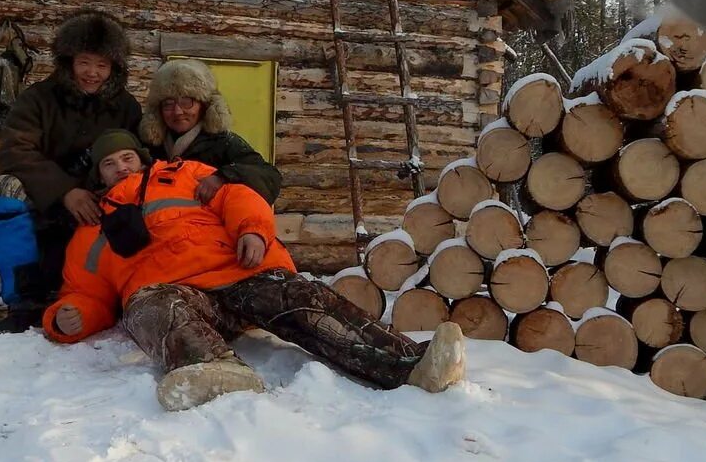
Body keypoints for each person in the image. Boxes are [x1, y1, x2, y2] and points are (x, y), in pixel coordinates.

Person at [42, 130, 467, 411]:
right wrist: (72, 314)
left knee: (305, 297)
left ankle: (411, 363)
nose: (121, 168)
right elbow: (85, 287)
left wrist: (254, 232)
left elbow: (236, 197)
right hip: (168, 291)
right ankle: (217, 370)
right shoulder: (93, 223)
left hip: (240, 271)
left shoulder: (186, 173)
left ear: (142, 156)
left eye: (126, 157)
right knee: (149, 308)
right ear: (97, 175)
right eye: (109, 164)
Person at [0, 10, 142, 332]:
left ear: (114, 68)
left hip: (103, 204)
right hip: (46, 200)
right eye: (85, 62)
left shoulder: (126, 107)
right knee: (3, 190)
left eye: (102, 65)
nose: (92, 73)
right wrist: (65, 192)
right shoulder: (38, 99)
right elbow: (14, 151)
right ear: (69, 60)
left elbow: (140, 157)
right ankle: (25, 297)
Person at [138, 58, 282, 205]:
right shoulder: (149, 148)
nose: (178, 111)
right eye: (168, 104)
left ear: (204, 105)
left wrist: (222, 177)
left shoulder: (223, 143)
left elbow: (270, 177)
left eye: (187, 102)